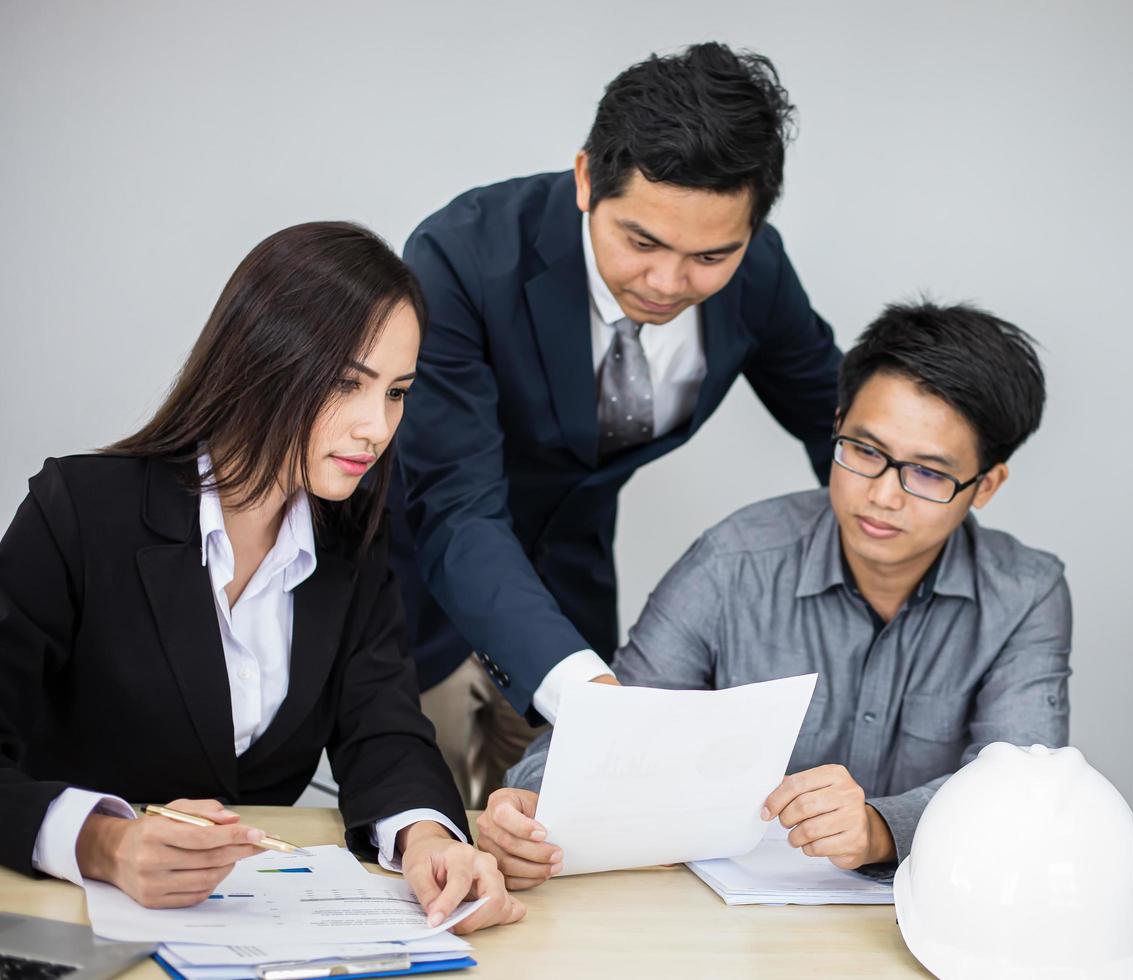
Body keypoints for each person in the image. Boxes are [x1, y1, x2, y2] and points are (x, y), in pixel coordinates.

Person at [0, 222, 522, 932]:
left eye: (397, 392)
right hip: (64, 919)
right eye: (347, 384)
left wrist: (427, 837)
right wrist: (102, 842)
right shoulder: (82, 512)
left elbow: (385, 731)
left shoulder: (350, 538)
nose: (376, 427)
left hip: (259, 932)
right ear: (263, 361)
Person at [477, 302, 1071, 887]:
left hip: (934, 916)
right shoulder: (734, 561)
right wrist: (528, 806)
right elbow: (616, 726)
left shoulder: (1026, 595)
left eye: (928, 473)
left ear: (986, 485)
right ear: (836, 425)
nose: (884, 495)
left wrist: (879, 829)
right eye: (865, 451)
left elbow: (1022, 781)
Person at [392, 41, 843, 807]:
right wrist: (593, 698)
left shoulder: (759, 273)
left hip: (575, 597)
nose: (669, 284)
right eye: (641, 242)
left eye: (710, 255)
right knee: (433, 850)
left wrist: (905, 541)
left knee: (570, 855)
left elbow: (836, 423)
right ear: (583, 181)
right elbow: (455, 504)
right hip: (420, 595)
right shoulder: (462, 257)